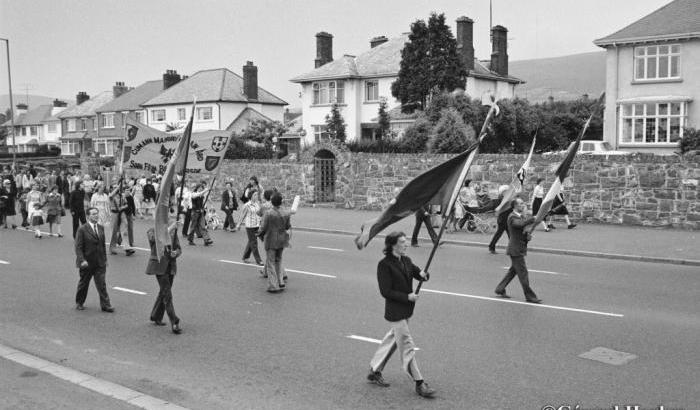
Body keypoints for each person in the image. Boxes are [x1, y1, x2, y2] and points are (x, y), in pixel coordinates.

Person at [366, 231, 436, 398]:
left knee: (393, 340)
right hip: (395, 311)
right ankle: (419, 383)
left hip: (406, 310)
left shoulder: (406, 260)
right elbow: (386, 291)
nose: (406, 244)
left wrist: (423, 275)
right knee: (406, 344)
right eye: (402, 242)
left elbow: (418, 274)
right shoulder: (384, 265)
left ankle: (374, 370)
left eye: (406, 241)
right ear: (392, 245)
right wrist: (407, 297)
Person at [494, 197, 541, 304]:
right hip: (515, 250)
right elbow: (519, 224)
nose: (522, 205)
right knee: (523, 273)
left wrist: (527, 237)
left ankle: (500, 289)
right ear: (514, 206)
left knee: (513, 271)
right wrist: (533, 218)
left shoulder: (521, 216)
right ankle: (530, 296)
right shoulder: (512, 217)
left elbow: (521, 231)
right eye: (520, 203)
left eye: (523, 203)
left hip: (518, 248)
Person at [74, 207, 114, 312]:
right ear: (88, 216)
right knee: (84, 284)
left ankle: (106, 305)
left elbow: (102, 245)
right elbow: (78, 247)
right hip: (87, 262)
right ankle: (79, 302)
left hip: (99, 261)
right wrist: (82, 260)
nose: (96, 215)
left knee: (101, 284)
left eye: (97, 213)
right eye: (93, 214)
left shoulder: (100, 228)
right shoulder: (82, 229)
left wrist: (105, 259)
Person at [146, 223, 182, 334]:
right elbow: (155, 240)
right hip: (159, 267)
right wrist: (170, 228)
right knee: (167, 295)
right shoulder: (152, 230)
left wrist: (175, 253)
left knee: (164, 292)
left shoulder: (172, 232)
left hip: (170, 267)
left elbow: (179, 249)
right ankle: (174, 321)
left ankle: (155, 315)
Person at [257, 192, 291, 293]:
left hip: (271, 239)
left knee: (271, 262)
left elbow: (263, 227)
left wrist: (258, 233)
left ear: (272, 202)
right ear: (281, 202)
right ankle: (281, 282)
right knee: (278, 261)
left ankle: (273, 285)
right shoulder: (286, 212)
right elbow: (287, 226)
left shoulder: (268, 213)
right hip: (282, 239)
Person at [236, 190, 263, 264]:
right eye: (255, 195)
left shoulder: (257, 204)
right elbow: (242, 215)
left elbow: (259, 214)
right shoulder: (246, 205)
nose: (256, 196)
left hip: (257, 225)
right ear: (251, 196)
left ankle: (245, 257)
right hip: (250, 226)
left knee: (251, 242)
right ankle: (259, 260)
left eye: (257, 194)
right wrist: (238, 224)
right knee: (254, 243)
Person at [108, 184, 135, 256]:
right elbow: (111, 196)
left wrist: (122, 207)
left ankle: (127, 248)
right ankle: (112, 248)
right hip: (114, 214)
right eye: (114, 188)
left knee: (124, 230)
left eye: (118, 188)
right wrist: (118, 187)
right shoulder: (111, 196)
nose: (117, 189)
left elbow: (126, 204)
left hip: (122, 214)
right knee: (114, 232)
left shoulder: (122, 196)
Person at [488, 185, 513, 254]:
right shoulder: (502, 200)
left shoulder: (506, 199)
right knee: (504, 234)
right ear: (502, 192)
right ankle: (491, 246)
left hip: (506, 219)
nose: (507, 193)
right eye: (505, 191)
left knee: (510, 235)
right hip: (503, 220)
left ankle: (491, 246)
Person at [187, 181, 213, 246]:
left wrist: (208, 190)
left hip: (200, 212)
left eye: (202, 188)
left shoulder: (202, 195)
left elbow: (204, 196)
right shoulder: (193, 194)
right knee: (193, 227)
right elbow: (198, 194)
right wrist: (206, 190)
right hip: (195, 212)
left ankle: (206, 240)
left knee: (203, 226)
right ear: (197, 188)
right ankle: (190, 240)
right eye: (200, 188)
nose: (201, 189)